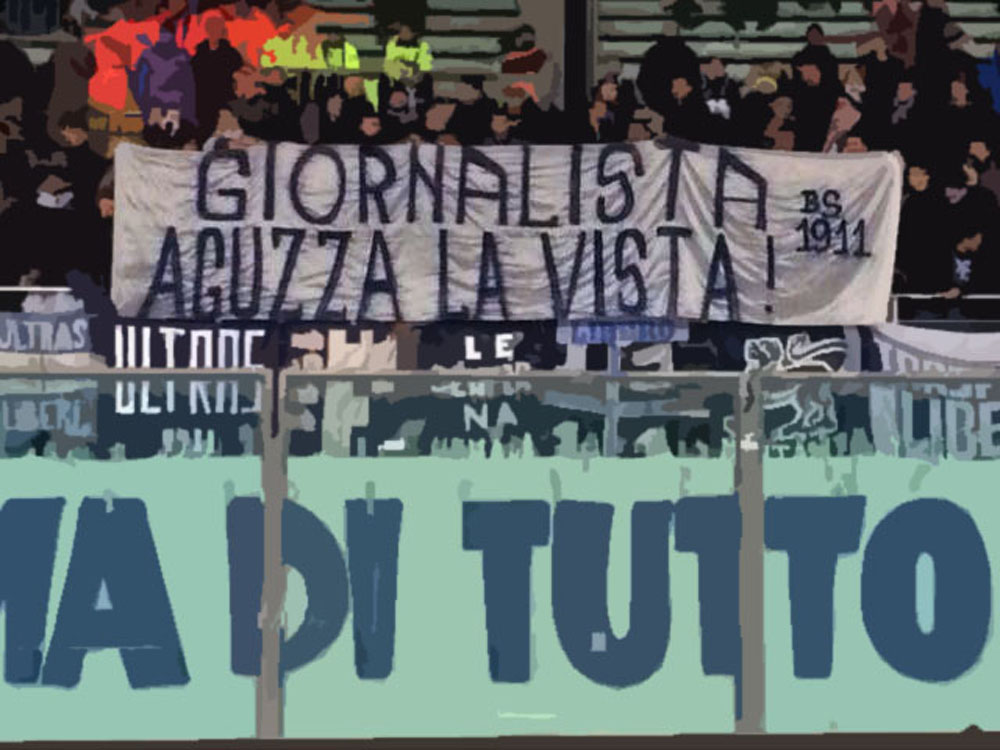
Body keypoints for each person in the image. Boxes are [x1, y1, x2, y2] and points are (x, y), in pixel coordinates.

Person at [191, 15, 243, 143]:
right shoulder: (200, 51)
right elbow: (194, 71)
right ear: (207, 30)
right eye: (211, 28)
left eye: (217, 28)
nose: (214, 31)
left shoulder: (230, 52)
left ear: (222, 31)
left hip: (224, 95)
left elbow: (238, 68)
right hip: (203, 97)